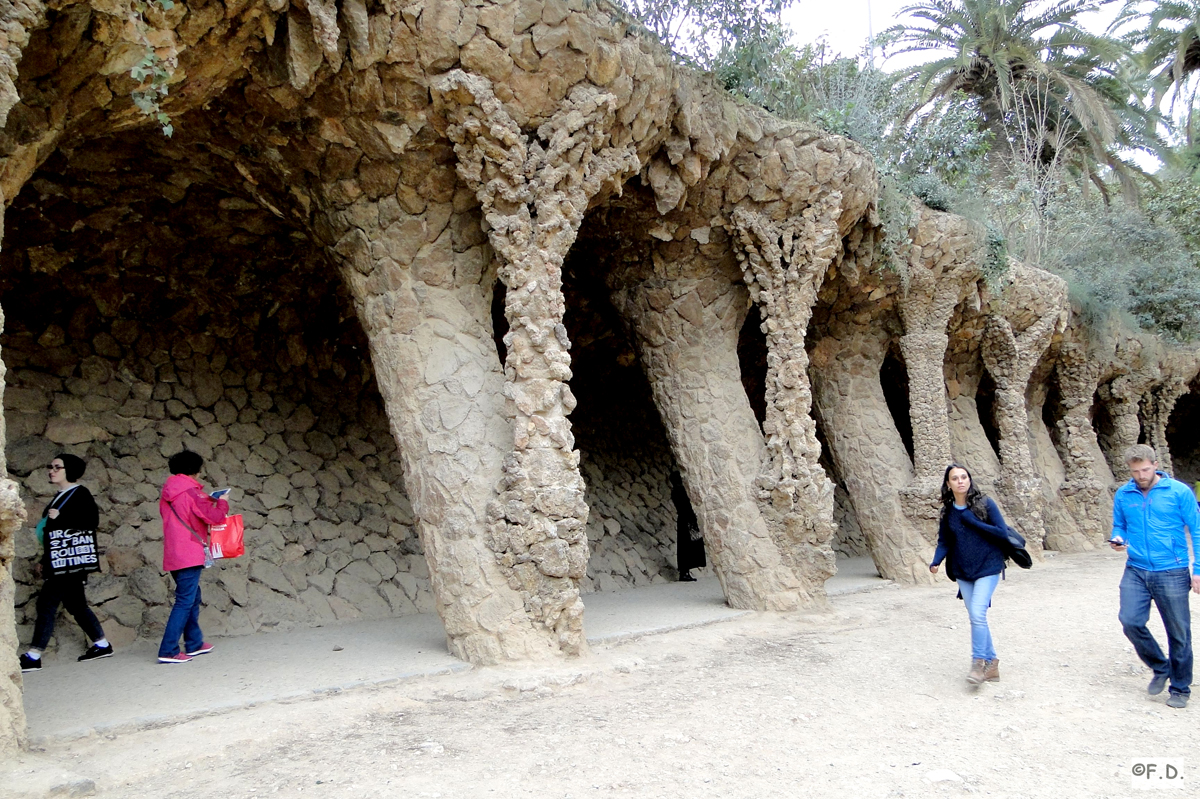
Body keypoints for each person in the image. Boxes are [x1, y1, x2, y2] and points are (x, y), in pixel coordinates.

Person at [1109, 444, 1200, 710]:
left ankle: (1180, 688)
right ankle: (1161, 666)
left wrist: (1198, 570)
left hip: (1171, 569)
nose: (1141, 475)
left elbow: (1197, 530)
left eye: (1145, 469)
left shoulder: (1179, 492)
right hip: (1136, 568)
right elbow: (1120, 526)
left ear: (1156, 464)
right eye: (1135, 471)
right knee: (1130, 620)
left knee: (1179, 632)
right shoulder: (1124, 494)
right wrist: (1118, 539)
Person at [19, 454, 112, 672]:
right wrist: (45, 558)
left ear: (68, 470)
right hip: (61, 560)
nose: (51, 470)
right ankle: (102, 644)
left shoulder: (79, 494)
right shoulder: (61, 495)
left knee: (47, 604)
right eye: (51, 467)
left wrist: (60, 518)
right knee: (76, 605)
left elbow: (90, 523)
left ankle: (34, 655)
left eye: (57, 467)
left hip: (68, 561)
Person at [929, 463, 1012, 685]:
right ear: (948, 484)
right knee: (977, 617)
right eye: (955, 478)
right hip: (963, 571)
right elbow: (944, 541)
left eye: (964, 477)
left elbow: (1002, 533)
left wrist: (974, 522)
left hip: (988, 567)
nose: (960, 481)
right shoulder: (947, 512)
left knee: (977, 614)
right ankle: (991, 663)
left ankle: (978, 663)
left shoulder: (985, 504)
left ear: (969, 479)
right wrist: (936, 561)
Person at [158, 450, 229, 664]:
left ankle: (194, 643)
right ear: (196, 471)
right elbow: (214, 517)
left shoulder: (169, 491)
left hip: (174, 551)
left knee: (191, 597)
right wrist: (222, 502)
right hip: (190, 551)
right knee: (185, 601)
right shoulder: (192, 492)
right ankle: (168, 650)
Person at [670, 471, 705, 581]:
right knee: (688, 547)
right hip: (688, 521)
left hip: (682, 520)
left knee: (684, 546)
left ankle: (684, 571)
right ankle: (685, 572)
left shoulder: (674, 491)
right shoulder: (681, 490)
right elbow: (687, 507)